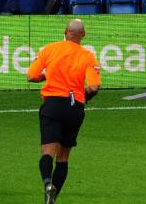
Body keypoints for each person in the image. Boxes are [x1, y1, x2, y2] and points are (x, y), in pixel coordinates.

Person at [26, 19, 101, 204]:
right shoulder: (88, 56)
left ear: (65, 32)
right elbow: (93, 87)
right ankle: (52, 198)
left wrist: (45, 75)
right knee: (63, 158)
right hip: (74, 107)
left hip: (52, 105)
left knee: (47, 153)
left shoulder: (49, 49)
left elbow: (31, 75)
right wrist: (83, 101)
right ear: (83, 35)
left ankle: (47, 184)